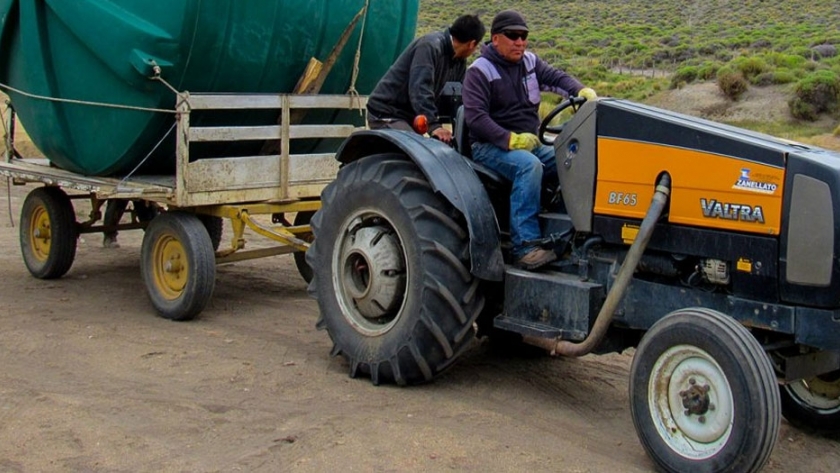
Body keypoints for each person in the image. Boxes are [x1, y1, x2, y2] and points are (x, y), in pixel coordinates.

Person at [462, 10, 597, 270]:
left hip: (529, 142)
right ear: (496, 39)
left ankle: (574, 231)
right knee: (529, 166)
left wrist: (579, 90)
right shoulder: (479, 71)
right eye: (513, 36)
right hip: (490, 147)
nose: (520, 42)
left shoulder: (530, 62)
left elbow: (557, 78)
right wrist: (509, 139)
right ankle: (525, 246)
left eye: (523, 36)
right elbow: (476, 118)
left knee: (571, 156)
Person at [366, 14, 486, 144]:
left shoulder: (458, 61)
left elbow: (461, 94)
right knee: (414, 151)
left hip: (411, 117)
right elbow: (420, 88)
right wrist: (434, 125)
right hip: (388, 113)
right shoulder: (429, 46)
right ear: (472, 44)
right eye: (476, 47)